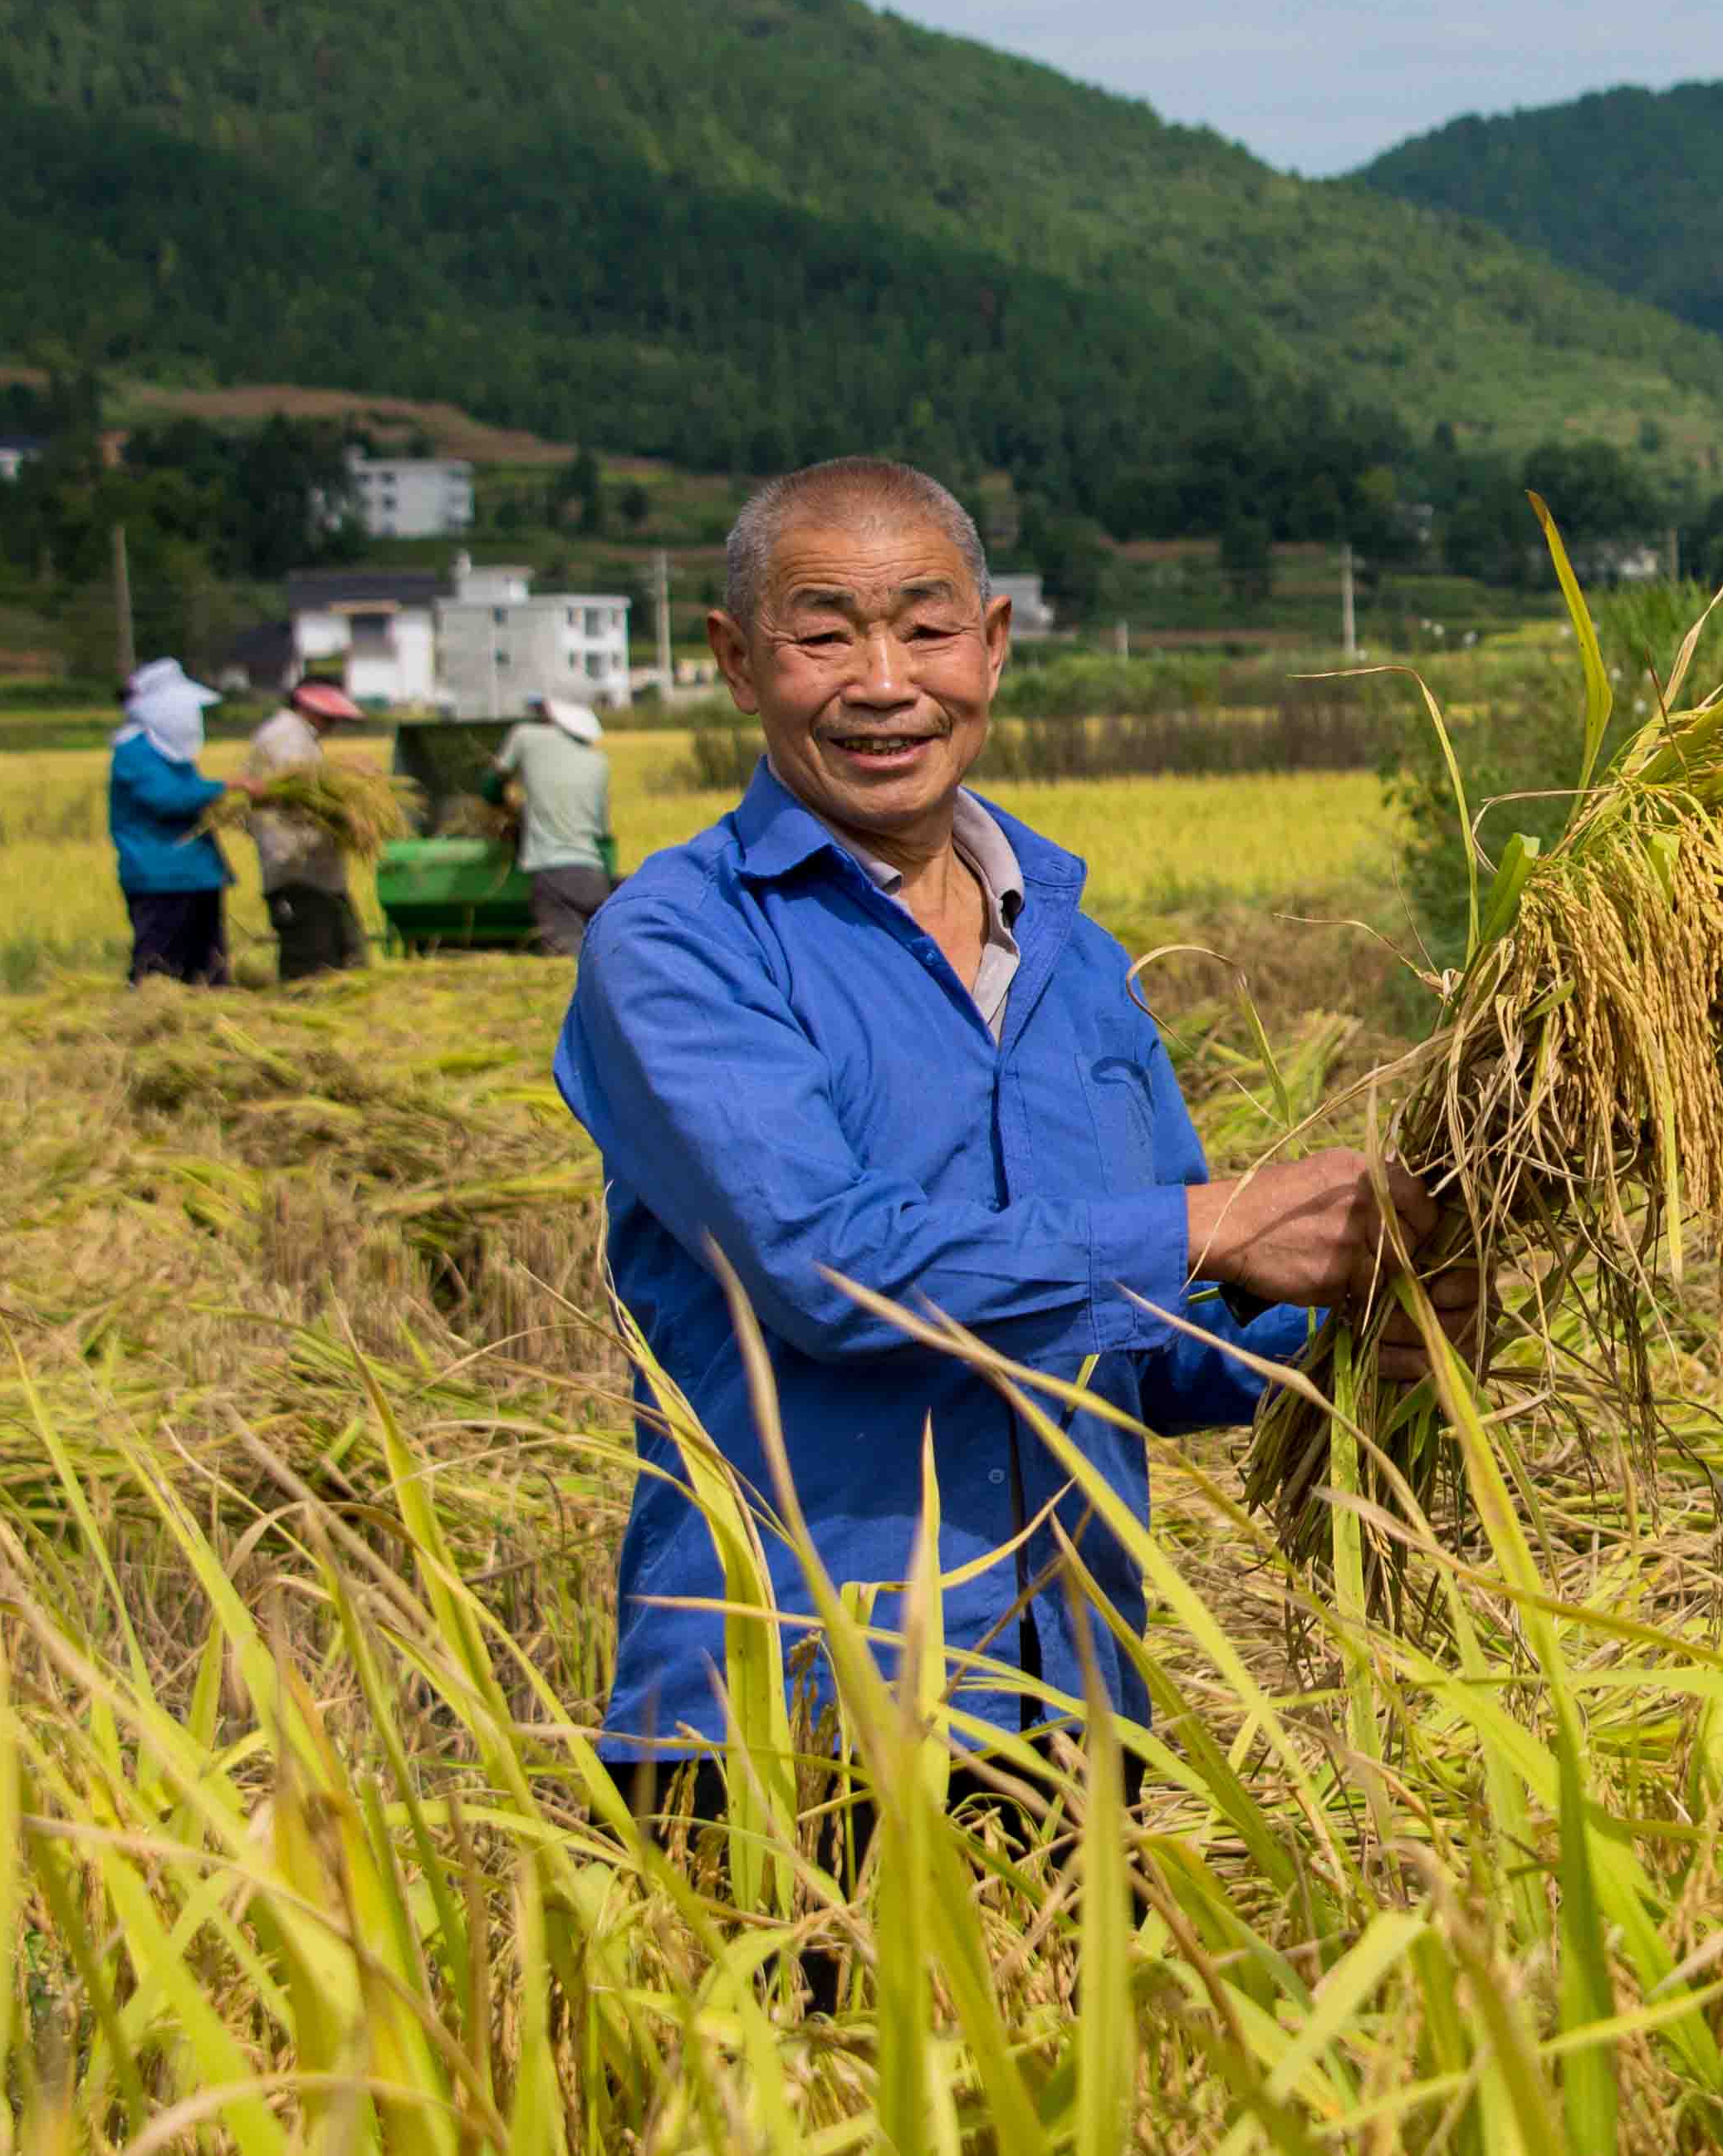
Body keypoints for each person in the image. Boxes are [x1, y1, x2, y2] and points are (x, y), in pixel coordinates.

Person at [554, 456, 1466, 1859]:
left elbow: (1149, 1344)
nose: (881, 681)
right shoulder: (678, 944)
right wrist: (1214, 1227)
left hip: (1071, 1703)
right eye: (822, 633)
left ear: (990, 643)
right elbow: (826, 1265)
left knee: (1094, 2086)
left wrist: (1342, 1328)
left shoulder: (1076, 963)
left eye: (923, 628)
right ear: (738, 660)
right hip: (785, 1726)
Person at [104, 657, 235, 987]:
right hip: (159, 878)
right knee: (160, 971)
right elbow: (168, 800)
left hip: (199, 875)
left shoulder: (175, 758)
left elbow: (190, 797)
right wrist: (226, 788)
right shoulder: (134, 753)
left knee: (208, 969)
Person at [242, 679, 370, 983]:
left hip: (318, 870)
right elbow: (307, 790)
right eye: (329, 717)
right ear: (306, 708)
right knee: (312, 966)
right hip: (296, 867)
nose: (333, 724)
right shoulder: (285, 737)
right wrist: (348, 801)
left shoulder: (300, 737)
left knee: (346, 957)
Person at [492, 693, 619, 954]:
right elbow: (602, 833)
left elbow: (491, 787)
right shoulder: (598, 761)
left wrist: (502, 809)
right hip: (592, 877)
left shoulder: (525, 735)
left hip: (552, 876)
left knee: (564, 956)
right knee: (597, 952)